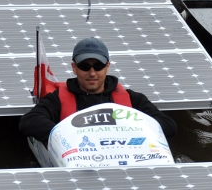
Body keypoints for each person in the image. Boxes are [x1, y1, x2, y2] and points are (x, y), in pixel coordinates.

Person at [19, 37, 177, 144]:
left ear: (107, 66)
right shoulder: (57, 99)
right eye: (85, 66)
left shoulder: (133, 99)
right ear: (74, 68)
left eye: (98, 66)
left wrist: (131, 133)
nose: (92, 73)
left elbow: (169, 125)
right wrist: (65, 136)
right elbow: (29, 122)